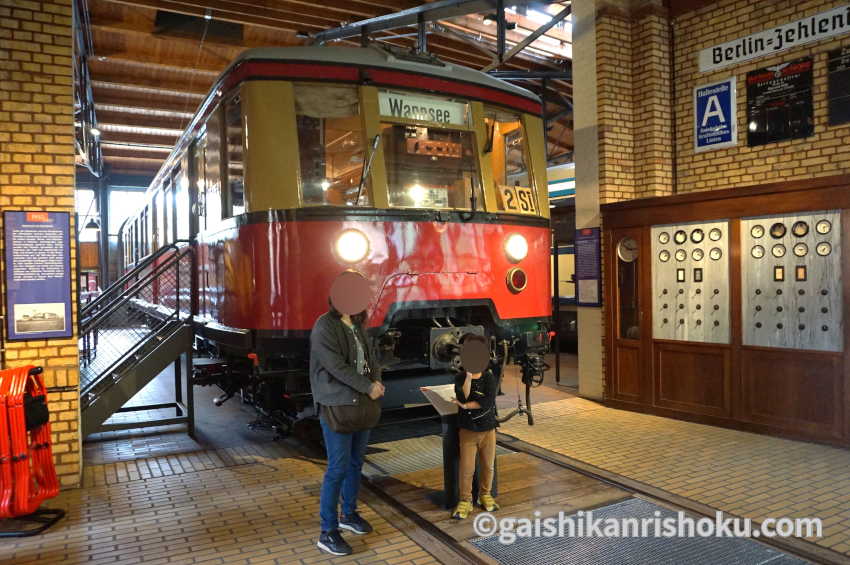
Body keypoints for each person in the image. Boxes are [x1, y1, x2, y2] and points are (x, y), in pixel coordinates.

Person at [310, 271, 385, 556]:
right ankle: (327, 532)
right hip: (337, 406)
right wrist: (368, 386)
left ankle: (349, 515)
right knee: (337, 468)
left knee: (355, 464)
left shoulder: (357, 325)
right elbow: (335, 367)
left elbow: (372, 359)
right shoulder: (324, 326)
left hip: (361, 404)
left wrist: (376, 381)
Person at [450, 333, 499, 519]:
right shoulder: (460, 378)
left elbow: (487, 402)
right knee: (467, 467)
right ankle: (465, 500)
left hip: (488, 429)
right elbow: (463, 396)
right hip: (467, 430)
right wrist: (469, 377)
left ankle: (485, 495)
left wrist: (466, 405)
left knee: (488, 465)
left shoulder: (489, 378)